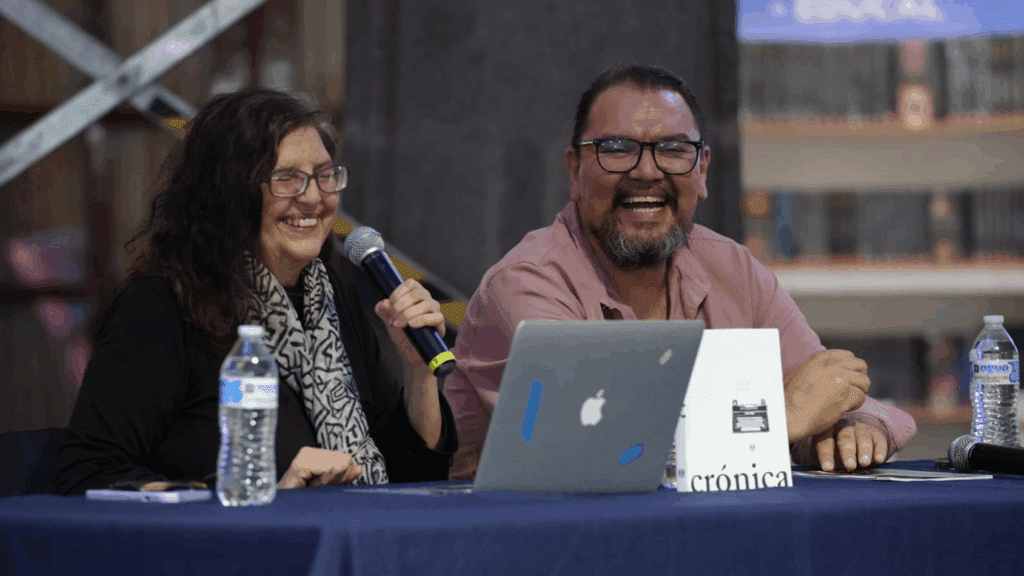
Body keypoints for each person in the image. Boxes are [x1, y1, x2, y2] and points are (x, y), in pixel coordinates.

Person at [445, 64, 916, 479]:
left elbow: (831, 387)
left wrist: (852, 427)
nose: (647, 172)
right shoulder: (526, 285)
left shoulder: (733, 269)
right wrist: (784, 418)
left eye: (672, 149)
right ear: (575, 170)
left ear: (703, 169)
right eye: (617, 148)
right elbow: (600, 451)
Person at [55, 88, 457, 495]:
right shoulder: (163, 305)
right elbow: (88, 471)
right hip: (228, 552)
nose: (314, 197)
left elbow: (411, 479)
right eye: (288, 179)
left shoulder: (335, 296)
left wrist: (418, 372)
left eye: (324, 174)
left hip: (354, 539)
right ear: (231, 193)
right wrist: (260, 491)